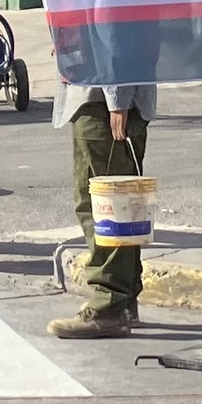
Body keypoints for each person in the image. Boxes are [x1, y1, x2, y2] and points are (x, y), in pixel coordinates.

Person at [48, 80, 157, 338]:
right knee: (119, 205)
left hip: (103, 101)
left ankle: (108, 307)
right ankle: (123, 299)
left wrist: (117, 101)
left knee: (106, 208)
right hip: (104, 99)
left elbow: (116, 41)